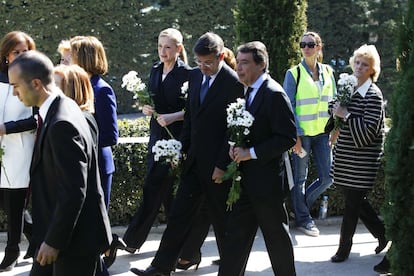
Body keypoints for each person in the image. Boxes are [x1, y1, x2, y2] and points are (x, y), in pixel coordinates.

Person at [130, 32, 244, 276]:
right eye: (199, 62)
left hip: (217, 168)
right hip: (193, 163)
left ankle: (232, 270)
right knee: (179, 216)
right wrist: (182, 150)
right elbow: (191, 117)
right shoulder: (194, 76)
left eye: (208, 63)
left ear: (221, 56)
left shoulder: (233, 82)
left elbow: (233, 130)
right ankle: (160, 268)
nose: (203, 67)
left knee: (222, 222)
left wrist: (222, 165)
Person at [8, 50, 112, 275]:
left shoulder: (62, 123)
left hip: (71, 241)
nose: (14, 93)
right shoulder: (64, 107)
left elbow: (74, 190)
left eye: (16, 86)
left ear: (36, 83)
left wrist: (54, 241)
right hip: (59, 235)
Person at [218, 41, 297, 276]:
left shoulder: (273, 93)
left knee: (277, 241)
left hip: (268, 185)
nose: (239, 68)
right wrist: (236, 148)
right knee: (235, 240)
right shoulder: (248, 91)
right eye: (238, 63)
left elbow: (288, 137)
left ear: (261, 65)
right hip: (245, 183)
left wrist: (250, 153)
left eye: (244, 63)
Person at [121, 27, 191, 256]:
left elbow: (193, 109)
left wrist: (174, 116)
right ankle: (184, 247)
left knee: (154, 187)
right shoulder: (154, 70)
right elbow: (151, 100)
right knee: (167, 194)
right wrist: (145, 108)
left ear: (178, 49)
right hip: (156, 138)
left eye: (168, 47)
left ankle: (132, 239)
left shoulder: (188, 74)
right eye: (160, 46)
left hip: (175, 141)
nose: (163, 51)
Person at [330, 44, 387, 263]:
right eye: (357, 63)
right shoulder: (348, 86)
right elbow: (335, 112)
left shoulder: (373, 94)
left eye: (365, 65)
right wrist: (334, 111)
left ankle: (343, 249)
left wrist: (345, 115)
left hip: (361, 160)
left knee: (352, 205)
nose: (359, 67)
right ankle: (382, 233)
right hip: (345, 158)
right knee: (355, 200)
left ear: (372, 70)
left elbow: (368, 131)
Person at [283, 31, 335, 237]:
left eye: (310, 44)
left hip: (323, 134)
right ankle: (304, 219)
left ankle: (299, 207)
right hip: (302, 135)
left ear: (318, 48)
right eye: (303, 44)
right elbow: (289, 107)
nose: (306, 47)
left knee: (328, 177)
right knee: (300, 178)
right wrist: (294, 136)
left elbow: (334, 102)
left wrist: (336, 128)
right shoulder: (293, 73)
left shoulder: (329, 72)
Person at [0, 31, 37, 271]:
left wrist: (7, 128)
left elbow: (37, 119)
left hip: (21, 149)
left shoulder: (37, 79)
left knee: (15, 204)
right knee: (8, 205)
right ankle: (40, 238)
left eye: (26, 51)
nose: (22, 56)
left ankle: (12, 251)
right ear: (6, 55)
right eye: (17, 52)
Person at [70, 35, 119, 209]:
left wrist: (81, 145)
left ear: (83, 58)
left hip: (98, 167)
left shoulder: (102, 90)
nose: (67, 60)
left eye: (72, 55)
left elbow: (111, 136)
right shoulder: (76, 87)